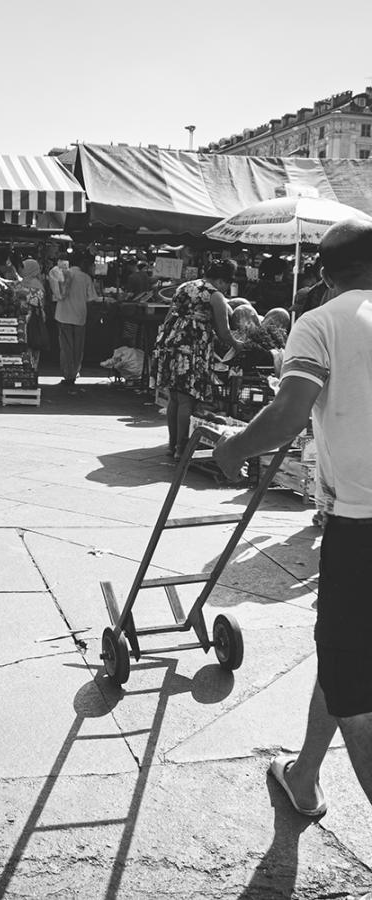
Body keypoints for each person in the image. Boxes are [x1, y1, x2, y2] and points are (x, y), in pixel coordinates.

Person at [213, 218, 372, 814]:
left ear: (325, 274)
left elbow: (287, 414)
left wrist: (230, 451)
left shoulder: (322, 322)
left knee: (356, 691)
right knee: (344, 657)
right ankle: (304, 776)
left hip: (362, 526)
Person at [156, 260, 244, 460]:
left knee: (175, 398)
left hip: (171, 342)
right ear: (221, 280)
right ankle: (181, 449)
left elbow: (169, 316)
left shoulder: (184, 287)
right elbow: (224, 332)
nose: (226, 288)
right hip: (193, 347)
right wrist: (237, 344)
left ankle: (171, 446)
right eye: (226, 283)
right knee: (187, 398)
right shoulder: (215, 296)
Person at [55, 251, 98, 393]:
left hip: (63, 315)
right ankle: (74, 372)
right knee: (78, 347)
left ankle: (68, 375)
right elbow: (92, 298)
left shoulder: (62, 274)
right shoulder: (85, 277)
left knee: (66, 347)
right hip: (79, 316)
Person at [17, 258, 46, 368]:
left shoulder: (25, 284)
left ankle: (28, 370)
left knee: (27, 345)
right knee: (33, 347)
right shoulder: (38, 285)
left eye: (23, 267)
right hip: (33, 321)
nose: (21, 270)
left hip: (26, 321)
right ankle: (32, 370)